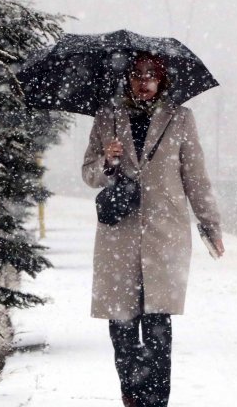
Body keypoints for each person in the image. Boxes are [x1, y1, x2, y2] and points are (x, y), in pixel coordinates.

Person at [81, 52, 225, 407]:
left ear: (162, 81)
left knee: (158, 326)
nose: (143, 82)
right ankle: (131, 396)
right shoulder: (107, 117)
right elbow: (88, 173)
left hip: (165, 234)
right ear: (127, 79)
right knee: (122, 326)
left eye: (151, 75)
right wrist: (108, 162)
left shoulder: (180, 119)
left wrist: (210, 224)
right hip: (120, 236)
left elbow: (195, 178)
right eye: (137, 75)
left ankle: (157, 401)